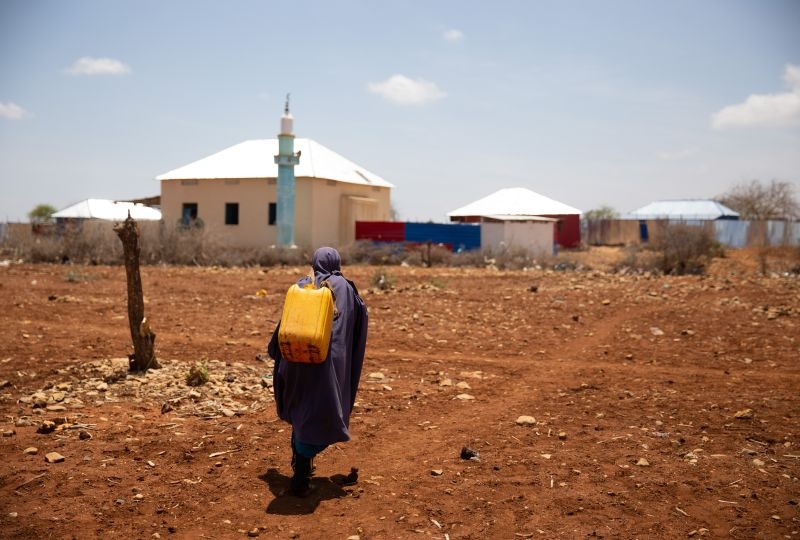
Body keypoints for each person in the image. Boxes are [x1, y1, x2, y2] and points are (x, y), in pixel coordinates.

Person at [267, 247, 368, 496]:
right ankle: (301, 475)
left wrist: (276, 353)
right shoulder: (345, 288)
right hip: (326, 367)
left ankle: (301, 469)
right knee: (322, 416)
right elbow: (358, 321)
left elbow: (284, 327)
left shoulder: (302, 284)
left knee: (302, 413)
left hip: (295, 364)